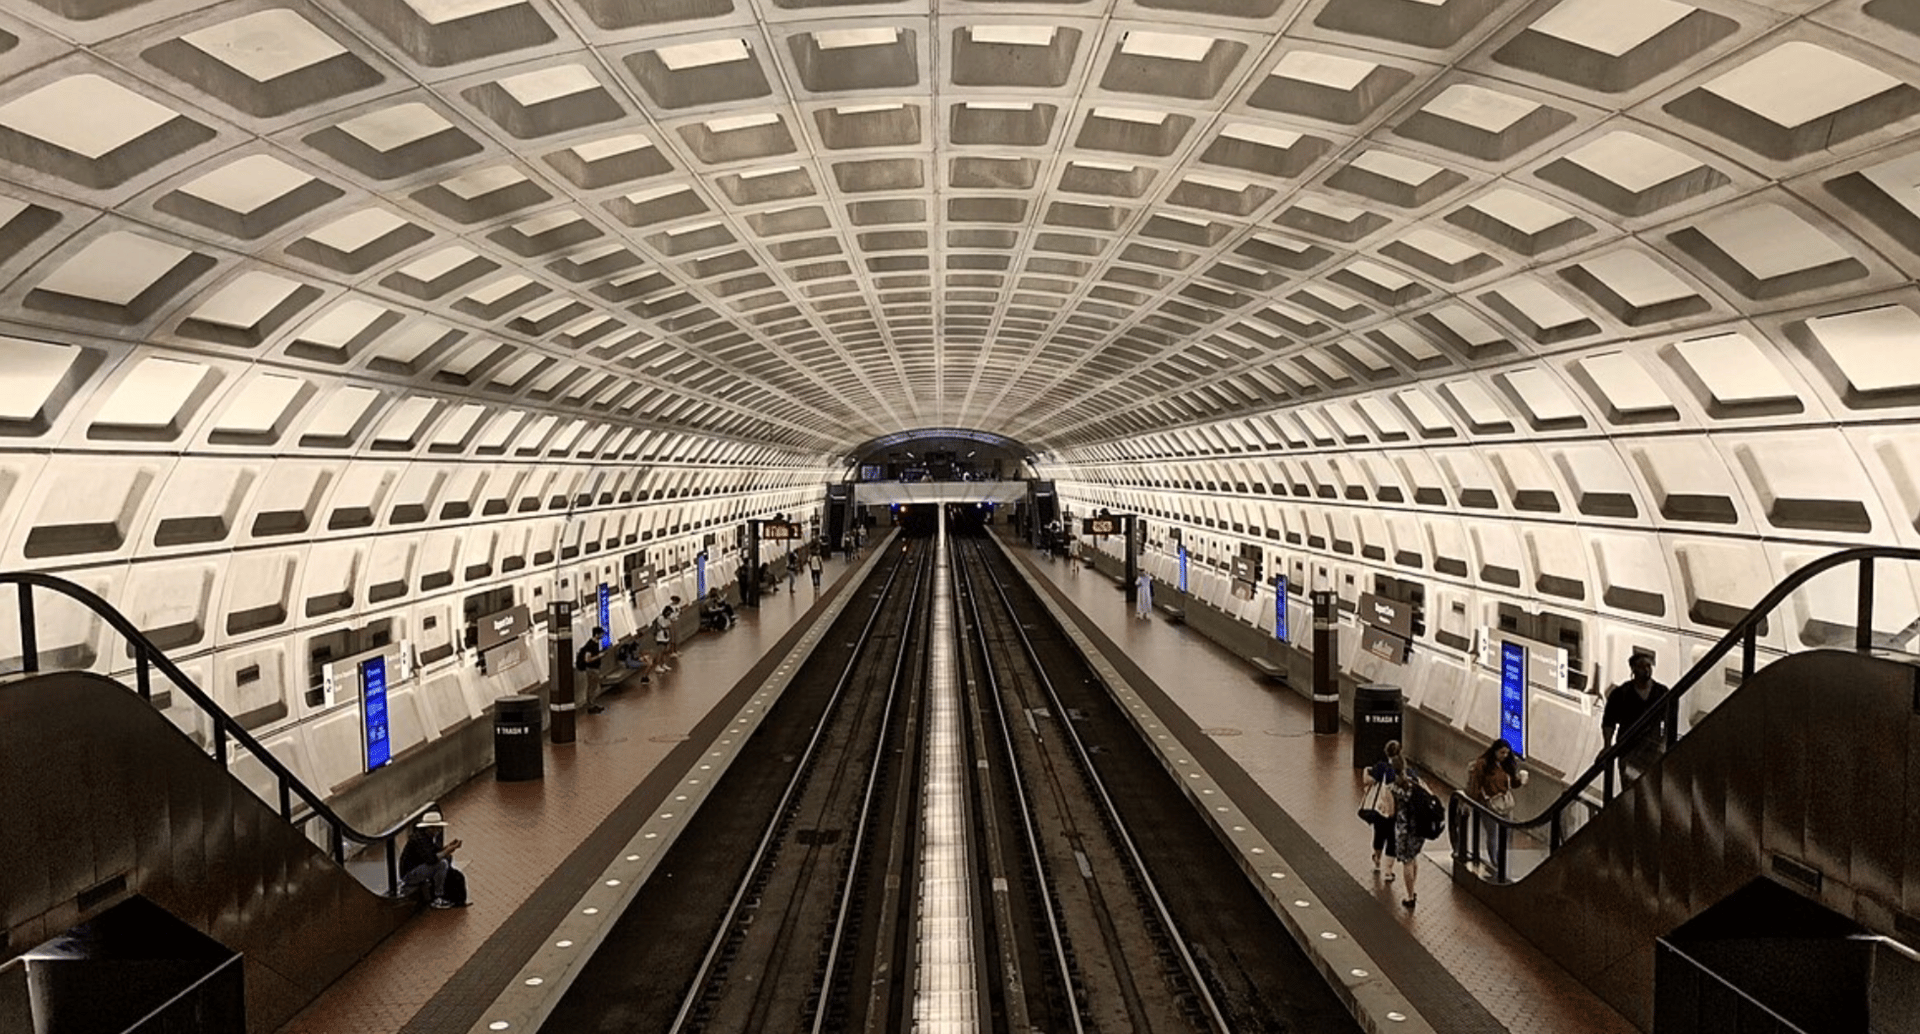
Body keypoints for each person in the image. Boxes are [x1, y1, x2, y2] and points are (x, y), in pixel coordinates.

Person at [1602, 653, 1671, 784]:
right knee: (1631, 787)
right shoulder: (1621, 693)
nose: (1646, 669)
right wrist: (1607, 745)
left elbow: (1668, 720)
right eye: (1641, 666)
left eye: (1648, 665)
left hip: (1653, 749)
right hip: (1628, 750)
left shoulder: (1661, 692)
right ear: (1633, 669)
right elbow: (1609, 721)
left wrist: (1664, 742)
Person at [1465, 738, 1527, 876]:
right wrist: (1471, 803)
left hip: (1504, 803)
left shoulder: (1507, 765)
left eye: (1506, 753)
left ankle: (1503, 859)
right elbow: (1475, 784)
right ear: (1495, 751)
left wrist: (1521, 781)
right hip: (1489, 804)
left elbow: (1512, 784)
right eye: (1502, 753)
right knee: (1492, 834)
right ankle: (1495, 862)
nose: (1504, 756)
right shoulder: (1483, 764)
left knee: (1507, 832)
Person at [400, 810, 464, 908]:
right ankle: (438, 896)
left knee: (446, 859)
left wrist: (448, 847)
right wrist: (449, 850)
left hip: (418, 868)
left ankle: (439, 892)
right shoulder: (419, 839)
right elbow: (432, 859)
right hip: (410, 874)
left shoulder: (425, 837)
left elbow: (435, 851)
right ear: (430, 828)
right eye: (437, 828)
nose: (438, 831)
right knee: (442, 864)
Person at [1361, 740, 1403, 881]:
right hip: (1395, 811)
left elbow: (1367, 780)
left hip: (1380, 809)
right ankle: (1389, 871)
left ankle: (1377, 859)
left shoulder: (1381, 767)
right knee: (1392, 839)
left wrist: (1366, 770)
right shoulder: (1402, 770)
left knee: (1379, 835)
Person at [1389, 759, 1426, 911]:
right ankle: (1413, 887)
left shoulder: (1393, 788)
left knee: (1407, 861)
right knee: (1414, 857)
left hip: (1404, 829)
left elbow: (1391, 811)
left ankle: (1410, 895)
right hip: (1419, 826)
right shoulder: (1415, 781)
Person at [576, 627, 609, 715]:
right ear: (597, 634)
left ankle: (592, 704)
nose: (602, 636)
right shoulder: (590, 646)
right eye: (601, 634)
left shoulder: (595, 644)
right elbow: (587, 659)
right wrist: (599, 656)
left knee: (593, 687)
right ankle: (590, 705)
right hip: (591, 669)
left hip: (595, 668)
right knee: (592, 687)